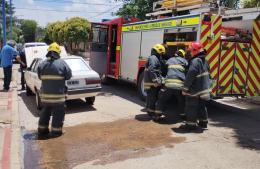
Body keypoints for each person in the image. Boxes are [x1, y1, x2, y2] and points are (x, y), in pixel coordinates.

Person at [37, 42, 72, 138]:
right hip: (58, 97)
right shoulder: (62, 63)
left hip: (45, 97)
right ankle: (56, 132)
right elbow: (69, 76)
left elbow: (40, 77)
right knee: (58, 115)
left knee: (45, 113)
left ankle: (42, 130)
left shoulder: (42, 64)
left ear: (48, 52)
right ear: (58, 53)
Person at [181, 42, 211, 130]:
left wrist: (185, 88)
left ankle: (190, 125)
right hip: (204, 88)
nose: (189, 52)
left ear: (195, 50)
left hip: (195, 89)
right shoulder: (205, 60)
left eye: (190, 51)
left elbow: (190, 75)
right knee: (202, 106)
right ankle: (203, 122)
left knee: (191, 106)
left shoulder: (195, 61)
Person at [155, 49, 188, 121]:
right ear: (183, 55)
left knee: (161, 99)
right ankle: (183, 116)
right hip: (179, 86)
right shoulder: (185, 61)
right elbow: (187, 72)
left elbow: (164, 69)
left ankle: (157, 115)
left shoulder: (170, 60)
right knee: (182, 101)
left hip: (168, 85)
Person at [144, 44, 166, 120]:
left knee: (151, 98)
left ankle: (151, 113)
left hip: (151, 82)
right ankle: (151, 114)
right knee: (152, 98)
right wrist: (156, 81)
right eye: (161, 53)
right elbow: (152, 69)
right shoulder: (153, 58)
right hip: (152, 83)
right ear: (158, 51)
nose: (161, 55)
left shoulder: (153, 57)